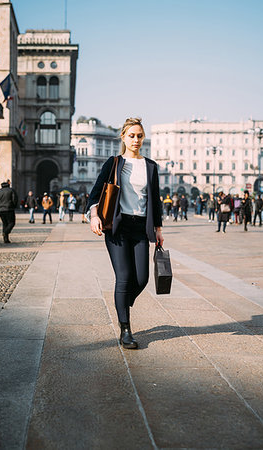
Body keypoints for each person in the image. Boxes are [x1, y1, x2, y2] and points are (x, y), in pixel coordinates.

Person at [87, 117, 163, 350]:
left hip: (141, 227)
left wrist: (158, 229)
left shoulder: (150, 166)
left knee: (142, 279)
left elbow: (155, 200)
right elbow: (96, 193)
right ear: (123, 137)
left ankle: (123, 302)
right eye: (131, 135)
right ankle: (126, 330)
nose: (136, 140)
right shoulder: (114, 163)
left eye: (140, 136)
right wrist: (94, 216)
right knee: (124, 277)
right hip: (117, 227)